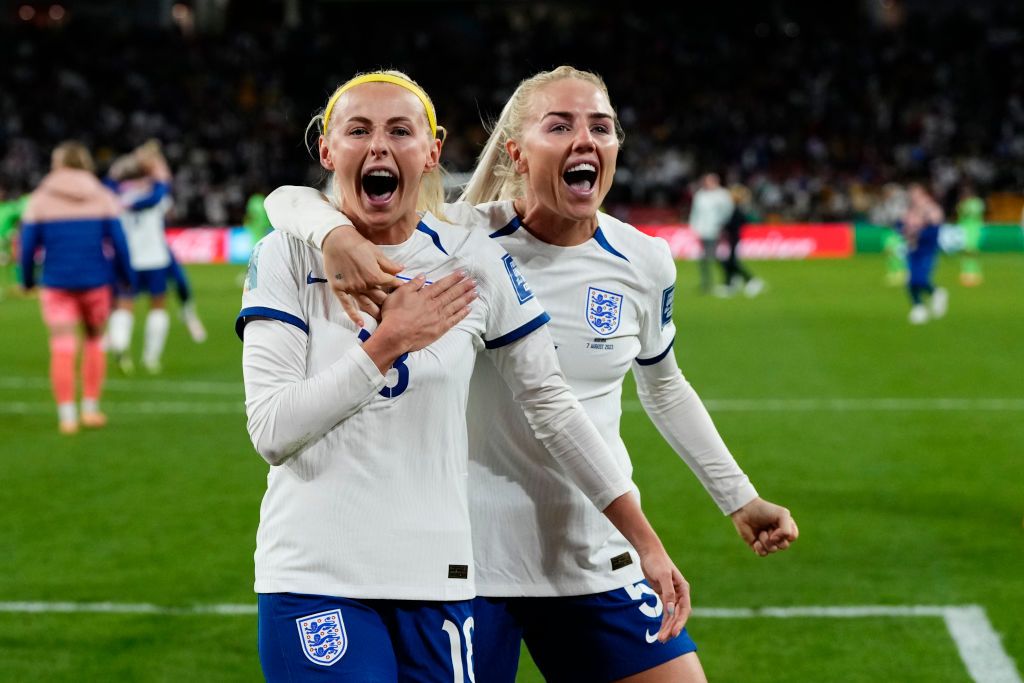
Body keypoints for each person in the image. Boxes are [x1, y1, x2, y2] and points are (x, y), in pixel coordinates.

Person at [266, 65, 798, 683]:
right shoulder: (465, 239)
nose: (585, 140)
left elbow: (663, 386)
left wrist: (738, 498)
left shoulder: (644, 260)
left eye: (601, 126)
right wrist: (333, 233)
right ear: (517, 152)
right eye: (561, 125)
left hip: (590, 544)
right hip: (470, 558)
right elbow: (289, 197)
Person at [19, 141, 133, 434]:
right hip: (96, 282)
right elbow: (119, 244)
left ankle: (67, 416)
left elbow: (28, 246)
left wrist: (28, 280)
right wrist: (125, 278)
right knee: (95, 341)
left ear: (57, 164)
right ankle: (91, 409)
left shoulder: (40, 199)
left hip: (56, 283)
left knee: (62, 346)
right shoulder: (103, 196)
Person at [105, 140, 176, 374]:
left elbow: (110, 182)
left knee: (124, 304)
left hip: (127, 258)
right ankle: (151, 358)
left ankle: (121, 349)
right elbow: (162, 200)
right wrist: (160, 176)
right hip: (154, 257)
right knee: (158, 305)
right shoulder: (156, 191)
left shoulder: (115, 192)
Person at [899, 183, 948, 324]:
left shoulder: (932, 210)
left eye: (916, 193)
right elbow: (900, 226)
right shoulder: (910, 211)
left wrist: (917, 233)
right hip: (912, 248)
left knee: (919, 278)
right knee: (910, 280)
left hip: (926, 249)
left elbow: (934, 231)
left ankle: (936, 292)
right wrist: (905, 231)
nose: (913, 197)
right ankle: (918, 307)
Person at [688, 173, 734, 294]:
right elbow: (695, 212)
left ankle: (728, 279)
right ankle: (708, 282)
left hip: (716, 230)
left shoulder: (722, 195)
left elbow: (728, 211)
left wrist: (722, 226)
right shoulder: (700, 195)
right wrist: (694, 227)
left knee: (710, 256)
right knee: (707, 257)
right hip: (703, 231)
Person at [717, 184, 764, 297]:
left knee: (730, 261)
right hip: (731, 238)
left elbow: (736, 223)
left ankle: (750, 280)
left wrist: (724, 227)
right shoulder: (735, 209)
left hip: (733, 238)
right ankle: (730, 283)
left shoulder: (737, 209)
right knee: (728, 261)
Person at [955, 184, 985, 286]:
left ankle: (974, 272)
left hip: (973, 230)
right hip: (964, 230)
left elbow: (967, 212)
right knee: (966, 252)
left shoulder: (976, 203)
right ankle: (967, 272)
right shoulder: (966, 203)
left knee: (972, 252)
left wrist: (963, 206)